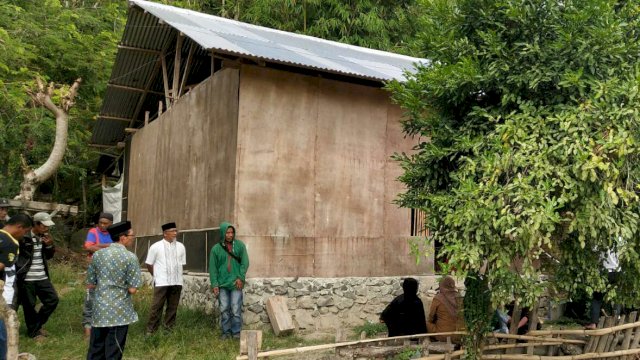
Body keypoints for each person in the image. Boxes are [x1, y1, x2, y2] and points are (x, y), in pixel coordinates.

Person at [86, 220, 142, 360]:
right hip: (119, 311)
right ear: (122, 237)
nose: (132, 239)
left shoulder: (98, 255)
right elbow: (133, 289)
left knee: (96, 347)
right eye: (131, 236)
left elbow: (91, 283)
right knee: (114, 349)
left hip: (100, 309)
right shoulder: (130, 257)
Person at [15, 212, 58, 340]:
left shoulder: (45, 237)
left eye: (48, 226)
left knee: (53, 300)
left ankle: (36, 325)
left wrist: (49, 245)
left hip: (42, 276)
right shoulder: (23, 237)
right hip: (27, 277)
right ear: (36, 224)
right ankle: (34, 332)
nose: (46, 228)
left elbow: (49, 256)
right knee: (29, 305)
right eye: (44, 226)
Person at [209, 222, 249, 340]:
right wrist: (215, 284)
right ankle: (225, 333)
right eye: (227, 232)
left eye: (232, 232)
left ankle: (236, 333)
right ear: (223, 233)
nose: (230, 235)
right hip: (222, 284)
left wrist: (240, 277)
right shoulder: (216, 249)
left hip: (236, 283)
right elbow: (213, 268)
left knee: (236, 309)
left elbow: (245, 263)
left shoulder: (240, 246)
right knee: (224, 309)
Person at [0, 214, 33, 360]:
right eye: (25, 231)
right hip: (3, 292)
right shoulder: (10, 243)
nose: (24, 235)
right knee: (3, 333)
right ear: (19, 227)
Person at [145, 222, 186, 334]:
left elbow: (181, 264)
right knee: (157, 307)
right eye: (172, 231)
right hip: (161, 282)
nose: (175, 233)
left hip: (177, 281)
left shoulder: (181, 246)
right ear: (165, 233)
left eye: (176, 231)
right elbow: (149, 264)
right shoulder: (155, 247)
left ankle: (168, 330)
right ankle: (151, 331)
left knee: (173, 308)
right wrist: (157, 275)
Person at [82, 213, 114, 338]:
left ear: (111, 223)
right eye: (100, 222)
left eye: (105, 223)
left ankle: (104, 327)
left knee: (108, 298)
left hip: (110, 271)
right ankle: (87, 329)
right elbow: (88, 247)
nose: (102, 225)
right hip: (94, 270)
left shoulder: (114, 233)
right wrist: (108, 247)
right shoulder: (93, 231)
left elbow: (119, 247)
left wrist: (98, 246)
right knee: (90, 297)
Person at [586, 242, 621, 330]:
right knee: (617, 299)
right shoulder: (620, 239)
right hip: (617, 272)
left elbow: (593, 249)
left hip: (604, 273)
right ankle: (616, 322)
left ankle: (594, 323)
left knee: (597, 299)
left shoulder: (601, 239)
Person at [426, 276, 460, 341]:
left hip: (444, 335)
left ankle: (434, 339)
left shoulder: (438, 298)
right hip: (459, 334)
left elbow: (431, 317)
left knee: (426, 324)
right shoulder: (459, 296)